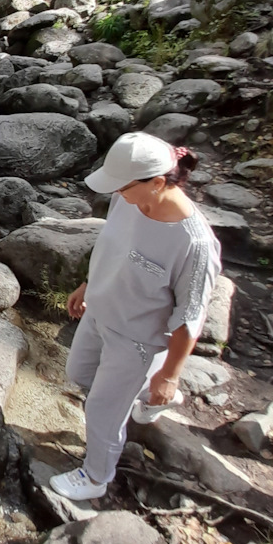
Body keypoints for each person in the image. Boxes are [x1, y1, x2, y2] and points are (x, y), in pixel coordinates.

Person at [50, 132, 221, 502]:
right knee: (79, 374)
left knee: (102, 409)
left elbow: (190, 316)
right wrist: (87, 284)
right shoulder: (127, 199)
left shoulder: (194, 244)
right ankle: (147, 393)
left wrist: (171, 374)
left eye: (122, 186)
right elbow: (113, 246)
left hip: (138, 339)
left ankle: (96, 476)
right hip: (100, 313)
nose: (115, 193)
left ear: (157, 182)